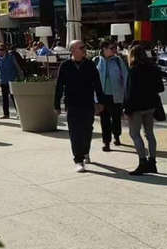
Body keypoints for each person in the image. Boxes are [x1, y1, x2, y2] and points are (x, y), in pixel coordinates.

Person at [54, 40, 104, 172]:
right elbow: (59, 86)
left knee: (87, 130)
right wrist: (56, 105)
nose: (84, 50)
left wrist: (100, 102)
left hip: (87, 103)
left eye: (84, 47)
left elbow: (97, 84)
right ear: (73, 50)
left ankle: (85, 151)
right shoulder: (65, 65)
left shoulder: (90, 65)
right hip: (72, 103)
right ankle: (78, 159)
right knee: (75, 132)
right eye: (81, 48)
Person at [124, 43, 164, 175]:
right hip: (151, 104)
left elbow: (129, 92)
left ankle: (142, 161)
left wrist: (126, 109)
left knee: (134, 134)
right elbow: (160, 88)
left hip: (136, 106)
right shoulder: (153, 68)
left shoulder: (133, 70)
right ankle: (152, 161)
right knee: (150, 134)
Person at [94, 39, 129, 151]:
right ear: (104, 49)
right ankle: (106, 142)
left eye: (115, 48)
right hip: (102, 95)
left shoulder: (118, 61)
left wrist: (126, 94)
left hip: (116, 94)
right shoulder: (96, 60)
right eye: (112, 48)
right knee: (104, 120)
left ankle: (117, 136)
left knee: (116, 118)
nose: (114, 50)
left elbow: (126, 77)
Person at [0, 43, 22, 119]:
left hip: (12, 79)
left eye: (1, 50)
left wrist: (19, 77)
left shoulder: (11, 57)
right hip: (3, 80)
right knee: (4, 98)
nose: (0, 51)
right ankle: (6, 114)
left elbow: (17, 67)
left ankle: (19, 112)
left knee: (14, 97)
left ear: (5, 50)